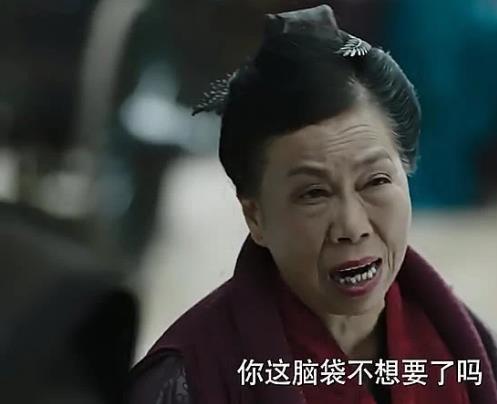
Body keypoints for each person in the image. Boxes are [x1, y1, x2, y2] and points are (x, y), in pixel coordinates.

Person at [127, 5, 497, 404]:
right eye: (314, 194)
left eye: (375, 181)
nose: (352, 227)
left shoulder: (462, 349)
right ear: (255, 216)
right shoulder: (186, 381)